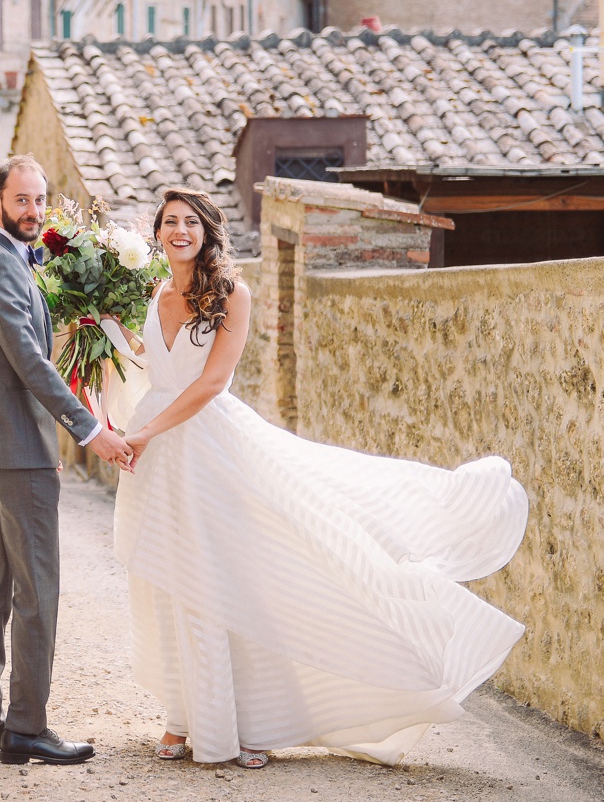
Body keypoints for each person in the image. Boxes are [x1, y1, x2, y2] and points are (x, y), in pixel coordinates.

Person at [104, 187, 528, 769]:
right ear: (157, 232)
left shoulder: (234, 294)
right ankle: (182, 718)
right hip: (159, 458)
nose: (179, 231)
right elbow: (159, 367)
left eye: (190, 222)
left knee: (225, 583)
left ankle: (242, 724)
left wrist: (143, 434)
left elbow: (208, 384)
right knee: (172, 583)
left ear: (207, 232)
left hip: (209, 450)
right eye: (170, 222)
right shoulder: (156, 293)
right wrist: (103, 334)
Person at [0, 155, 135, 766]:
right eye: (22, 200)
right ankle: (25, 727)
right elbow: (30, 362)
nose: (33, 211)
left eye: (39, 200)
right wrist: (89, 429)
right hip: (14, 450)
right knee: (37, 590)